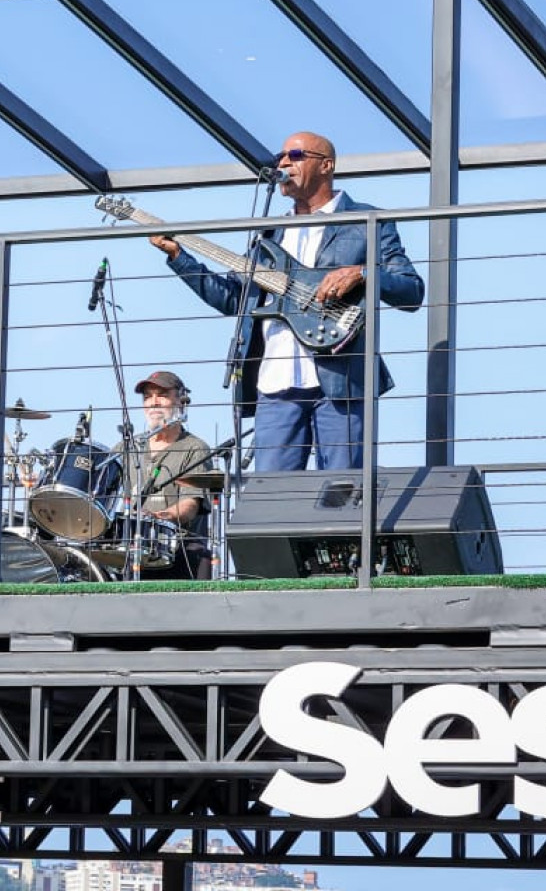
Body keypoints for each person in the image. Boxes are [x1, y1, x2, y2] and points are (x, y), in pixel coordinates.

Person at [149, 131, 423, 472]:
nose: (283, 163)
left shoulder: (367, 222)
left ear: (326, 165)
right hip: (275, 384)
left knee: (342, 495)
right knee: (272, 501)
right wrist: (179, 257)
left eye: (295, 155)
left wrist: (364, 273)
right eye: (280, 157)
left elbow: (412, 290)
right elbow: (234, 300)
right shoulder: (270, 233)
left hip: (340, 382)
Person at [120, 370, 219, 580]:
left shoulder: (194, 448)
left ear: (181, 402)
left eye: (162, 395)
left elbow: (190, 506)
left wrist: (159, 518)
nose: (153, 402)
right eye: (148, 397)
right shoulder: (125, 448)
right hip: (131, 548)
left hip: (179, 551)